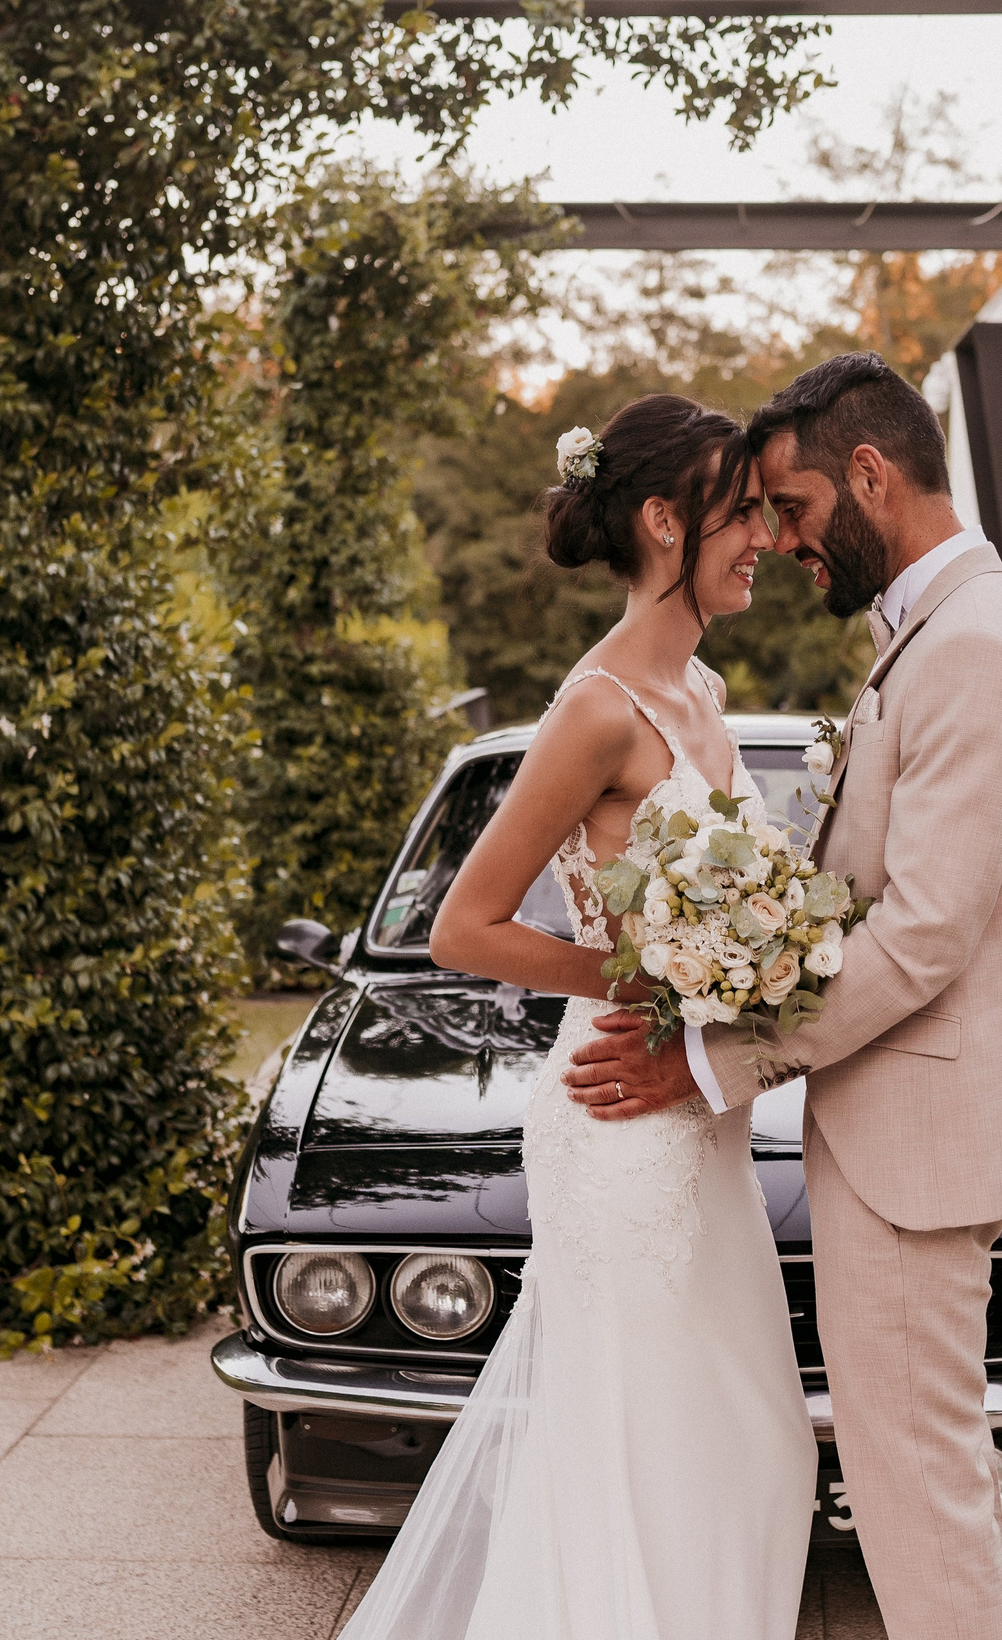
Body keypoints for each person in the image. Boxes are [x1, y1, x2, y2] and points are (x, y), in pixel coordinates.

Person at [566, 352, 1002, 1640]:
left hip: (924, 1144)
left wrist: (709, 1061)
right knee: (921, 1467)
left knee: (918, 1481)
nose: (784, 537)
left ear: (867, 475)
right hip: (908, 1131)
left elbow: (919, 939)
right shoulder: (933, 631)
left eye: (791, 508)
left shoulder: (971, 645)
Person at [335, 393, 814, 1640]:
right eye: (740, 511)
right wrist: (644, 982)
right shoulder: (598, 706)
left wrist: (742, 973)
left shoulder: (701, 687)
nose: (762, 533)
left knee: (743, 1440)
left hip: (697, 1114)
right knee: (634, 1442)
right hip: (616, 1111)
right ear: (664, 519)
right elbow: (465, 926)